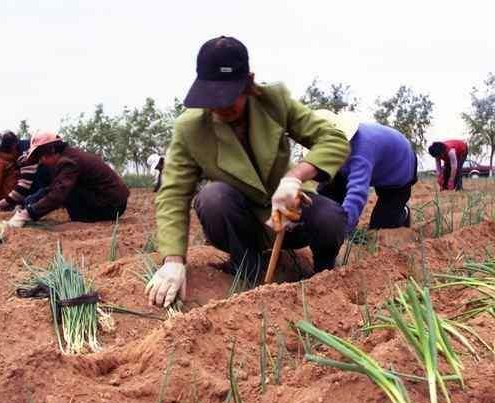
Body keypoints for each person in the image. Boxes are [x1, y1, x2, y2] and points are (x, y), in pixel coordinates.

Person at [148, 36, 351, 308]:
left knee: (329, 217)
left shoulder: (275, 101)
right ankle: (247, 268)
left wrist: (295, 178)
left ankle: (324, 272)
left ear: (249, 83)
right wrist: (173, 261)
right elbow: (173, 194)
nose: (221, 106)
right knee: (213, 197)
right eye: (212, 98)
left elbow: (333, 139)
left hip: (289, 215)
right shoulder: (190, 129)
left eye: (229, 97)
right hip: (239, 222)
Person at [315, 110, 417, 234]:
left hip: (400, 167)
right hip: (379, 162)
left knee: (381, 228)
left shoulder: (361, 152)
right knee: (327, 198)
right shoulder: (339, 150)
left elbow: (357, 194)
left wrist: (341, 232)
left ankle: (402, 212)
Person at [7, 131, 130, 227]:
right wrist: (30, 201)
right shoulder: (68, 155)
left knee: (67, 195)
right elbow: (54, 187)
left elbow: (57, 195)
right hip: (111, 202)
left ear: (52, 149)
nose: (41, 161)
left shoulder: (68, 162)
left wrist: (28, 213)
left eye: (41, 156)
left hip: (112, 207)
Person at [0, 130, 52, 215]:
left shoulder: (26, 154)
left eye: (1, 156)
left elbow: (22, 189)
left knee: (30, 202)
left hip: (54, 185)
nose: (3, 160)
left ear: (12, 148)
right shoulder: (21, 151)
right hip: (49, 184)